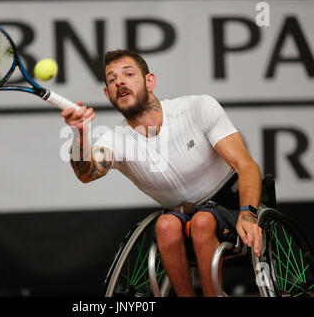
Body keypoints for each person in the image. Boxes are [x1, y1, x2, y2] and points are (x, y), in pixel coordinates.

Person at [61, 49, 263, 297]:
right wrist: (80, 133)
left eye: (128, 74)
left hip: (233, 206)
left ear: (150, 81)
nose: (120, 82)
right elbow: (87, 173)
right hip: (182, 216)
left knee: (202, 222)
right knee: (165, 225)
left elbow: (247, 166)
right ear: (108, 94)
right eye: (112, 80)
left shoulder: (197, 108)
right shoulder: (116, 139)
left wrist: (248, 214)